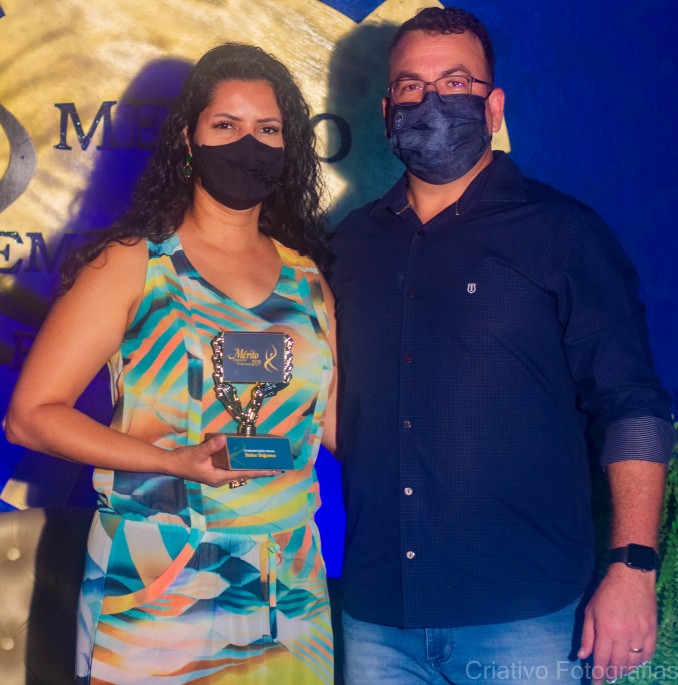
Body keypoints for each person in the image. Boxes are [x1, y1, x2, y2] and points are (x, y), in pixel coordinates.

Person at [328, 7, 675, 685]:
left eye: (456, 83)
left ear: (493, 108)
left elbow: (632, 404)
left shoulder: (561, 233)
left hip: (527, 616)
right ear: (387, 111)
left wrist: (632, 566)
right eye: (411, 86)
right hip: (377, 619)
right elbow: (331, 405)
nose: (431, 100)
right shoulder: (349, 245)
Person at [6, 42, 336, 684]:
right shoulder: (134, 263)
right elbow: (30, 417)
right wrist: (172, 461)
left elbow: (336, 425)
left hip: (289, 589)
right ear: (189, 139)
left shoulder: (309, 282)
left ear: (289, 146)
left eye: (268, 129)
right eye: (226, 125)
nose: (248, 144)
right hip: (155, 582)